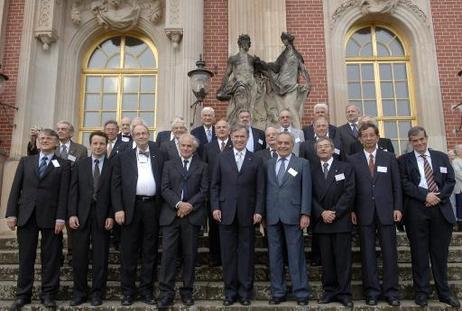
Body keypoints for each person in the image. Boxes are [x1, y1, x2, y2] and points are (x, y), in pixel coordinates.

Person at [6, 129, 70, 310]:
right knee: (26, 257)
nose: (44, 141)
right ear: (37, 142)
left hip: (52, 217)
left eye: (49, 138)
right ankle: (22, 295)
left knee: (51, 258)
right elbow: (15, 189)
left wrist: (61, 217)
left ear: (57, 143)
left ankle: (48, 294)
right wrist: (11, 213)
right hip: (26, 215)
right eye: (41, 138)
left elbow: (64, 193)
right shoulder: (26, 162)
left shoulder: (63, 165)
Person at [398, 127, 460, 307]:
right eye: (415, 140)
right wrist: (425, 195)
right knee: (419, 254)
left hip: (440, 209)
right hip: (416, 210)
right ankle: (422, 292)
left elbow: (450, 181)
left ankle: (444, 292)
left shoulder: (441, 157)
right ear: (410, 141)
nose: (419, 143)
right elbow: (404, 183)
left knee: (440, 255)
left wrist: (438, 196)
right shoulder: (404, 160)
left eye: (421, 140)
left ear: (426, 138)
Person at [347, 122, 402, 306]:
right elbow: (351, 188)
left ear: (377, 137)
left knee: (389, 253)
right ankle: (371, 291)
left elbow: (397, 186)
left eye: (372, 135)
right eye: (365, 136)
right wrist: (352, 209)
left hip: (387, 211)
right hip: (363, 212)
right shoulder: (352, 159)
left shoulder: (389, 157)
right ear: (360, 139)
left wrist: (398, 208)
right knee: (367, 254)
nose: (368, 138)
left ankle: (391, 292)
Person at [211, 125, 264, 306]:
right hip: (225, 213)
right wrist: (215, 207)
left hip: (248, 214)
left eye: (242, 137)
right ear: (231, 137)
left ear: (247, 137)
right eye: (236, 137)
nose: (239, 140)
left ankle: (244, 292)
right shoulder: (221, 158)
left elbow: (260, 189)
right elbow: (215, 186)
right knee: (228, 255)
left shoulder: (255, 159)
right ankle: (230, 292)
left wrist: (258, 210)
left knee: (246, 254)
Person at [111, 123, 165, 306]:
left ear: (149, 135)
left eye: (144, 133)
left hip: (152, 208)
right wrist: (118, 208)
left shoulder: (159, 154)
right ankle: (128, 292)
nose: (141, 136)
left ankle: (146, 291)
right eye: (138, 134)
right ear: (132, 136)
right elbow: (115, 185)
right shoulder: (123, 157)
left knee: (150, 252)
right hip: (129, 209)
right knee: (128, 252)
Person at [157, 134, 208, 307]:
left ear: (194, 148)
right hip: (171, 216)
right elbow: (164, 188)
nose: (186, 149)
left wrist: (189, 206)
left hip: (191, 217)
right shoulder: (168, 165)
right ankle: (166, 293)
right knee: (168, 256)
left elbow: (204, 190)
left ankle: (187, 291)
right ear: (178, 146)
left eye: (189, 146)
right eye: (183, 146)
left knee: (189, 256)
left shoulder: (202, 166)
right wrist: (179, 204)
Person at [265, 131, 311, 306]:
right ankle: (278, 292)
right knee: (275, 256)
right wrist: (262, 215)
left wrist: (305, 213)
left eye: (286, 143)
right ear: (275, 144)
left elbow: (306, 190)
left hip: (293, 216)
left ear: (292, 145)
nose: (283, 146)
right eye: (280, 143)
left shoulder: (302, 163)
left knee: (296, 256)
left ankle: (301, 293)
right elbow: (264, 190)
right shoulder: (268, 164)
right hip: (272, 216)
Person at [68, 131, 113, 306]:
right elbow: (73, 191)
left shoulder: (112, 165)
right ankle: (79, 293)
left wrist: (111, 215)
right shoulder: (81, 165)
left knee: (100, 257)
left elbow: (114, 193)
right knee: (79, 257)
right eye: (95, 143)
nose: (98, 146)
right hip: (81, 216)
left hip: (103, 217)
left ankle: (97, 294)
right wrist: (71, 214)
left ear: (106, 145)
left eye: (102, 143)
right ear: (90, 145)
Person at [312, 137, 355, 307]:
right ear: (316, 151)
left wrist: (335, 213)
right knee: (327, 260)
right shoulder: (312, 170)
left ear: (332, 149)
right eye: (320, 147)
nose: (323, 149)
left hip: (341, 220)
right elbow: (310, 195)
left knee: (343, 260)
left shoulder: (345, 167)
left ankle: (345, 293)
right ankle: (329, 291)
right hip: (322, 222)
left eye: (326, 146)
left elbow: (349, 192)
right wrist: (321, 212)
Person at [261, 32, 311, 129]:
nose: (284, 42)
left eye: (285, 40)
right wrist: (265, 65)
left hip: (291, 86)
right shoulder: (283, 55)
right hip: (280, 85)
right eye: (283, 40)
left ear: (288, 41)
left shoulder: (297, 55)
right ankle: (282, 131)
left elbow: (303, 69)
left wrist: (308, 83)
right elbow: (276, 67)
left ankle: (297, 130)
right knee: (281, 111)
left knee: (291, 109)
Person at [202, 119, 233, 267]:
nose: (221, 129)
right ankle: (214, 257)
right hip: (213, 193)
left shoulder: (235, 145)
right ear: (215, 131)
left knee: (229, 227)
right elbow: (204, 170)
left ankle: (229, 257)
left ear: (229, 130)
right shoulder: (208, 147)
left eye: (224, 127)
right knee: (214, 228)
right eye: (218, 127)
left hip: (231, 194)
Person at [216, 34, 260, 125]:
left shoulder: (251, 59)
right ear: (240, 43)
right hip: (240, 86)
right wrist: (222, 88)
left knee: (252, 108)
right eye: (246, 42)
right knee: (240, 106)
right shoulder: (233, 59)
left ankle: (250, 127)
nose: (248, 44)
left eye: (249, 42)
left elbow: (256, 74)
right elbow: (227, 74)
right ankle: (237, 125)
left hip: (252, 86)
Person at [452, 145, 462, 229]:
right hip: (460, 188)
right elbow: (459, 174)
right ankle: (460, 224)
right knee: (460, 205)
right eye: (461, 149)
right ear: (457, 151)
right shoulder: (455, 161)